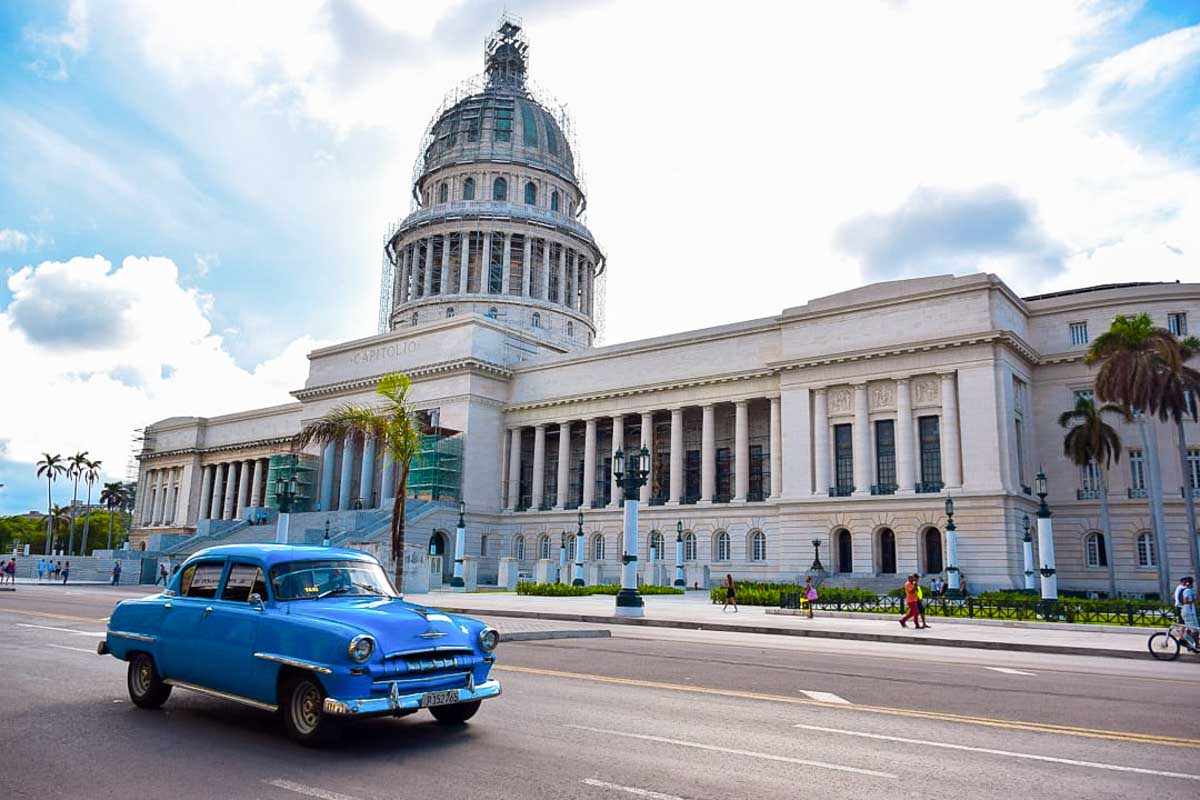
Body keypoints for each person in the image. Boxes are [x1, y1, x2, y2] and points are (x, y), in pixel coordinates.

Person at [1179, 577, 1198, 648]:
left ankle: (1187, 643)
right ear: (1189, 583)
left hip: (1187, 612)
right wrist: (1193, 601)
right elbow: (1185, 601)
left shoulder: (1186, 590)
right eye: (1192, 582)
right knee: (1195, 630)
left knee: (1190, 629)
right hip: (1189, 613)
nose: (1193, 584)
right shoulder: (1188, 591)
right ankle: (1196, 645)